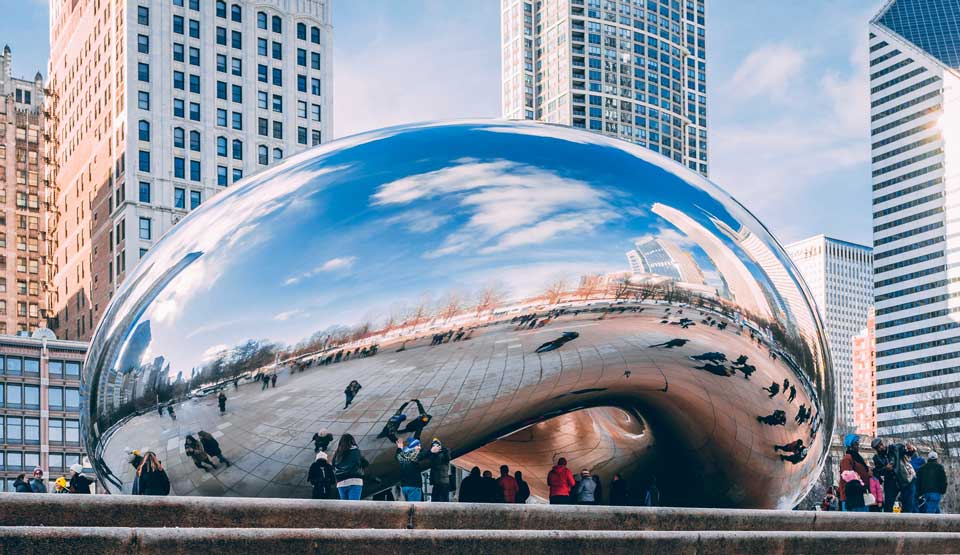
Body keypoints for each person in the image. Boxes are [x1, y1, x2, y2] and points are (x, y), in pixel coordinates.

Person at [838, 434, 869, 511]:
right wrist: (861, 484)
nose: (858, 445)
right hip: (851, 499)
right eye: (856, 443)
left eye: (857, 443)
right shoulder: (847, 458)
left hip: (859, 496)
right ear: (850, 445)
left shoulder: (857, 458)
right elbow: (847, 475)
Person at [332, 433, 366, 500]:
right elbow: (363, 463)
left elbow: (333, 465)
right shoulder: (356, 451)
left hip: (341, 482)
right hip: (354, 481)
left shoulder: (338, 453)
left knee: (344, 507)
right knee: (353, 506)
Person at [871, 438, 899, 512]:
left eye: (881, 444)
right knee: (889, 503)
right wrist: (886, 468)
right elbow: (879, 471)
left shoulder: (892, 449)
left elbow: (903, 452)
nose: (880, 447)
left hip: (900, 478)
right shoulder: (877, 458)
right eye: (878, 447)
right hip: (890, 481)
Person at [427, 438, 452, 502]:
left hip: (443, 483)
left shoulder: (444, 453)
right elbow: (432, 463)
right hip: (437, 482)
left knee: (442, 500)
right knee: (436, 500)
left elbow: (448, 457)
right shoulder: (433, 455)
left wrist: (442, 449)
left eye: (437, 445)